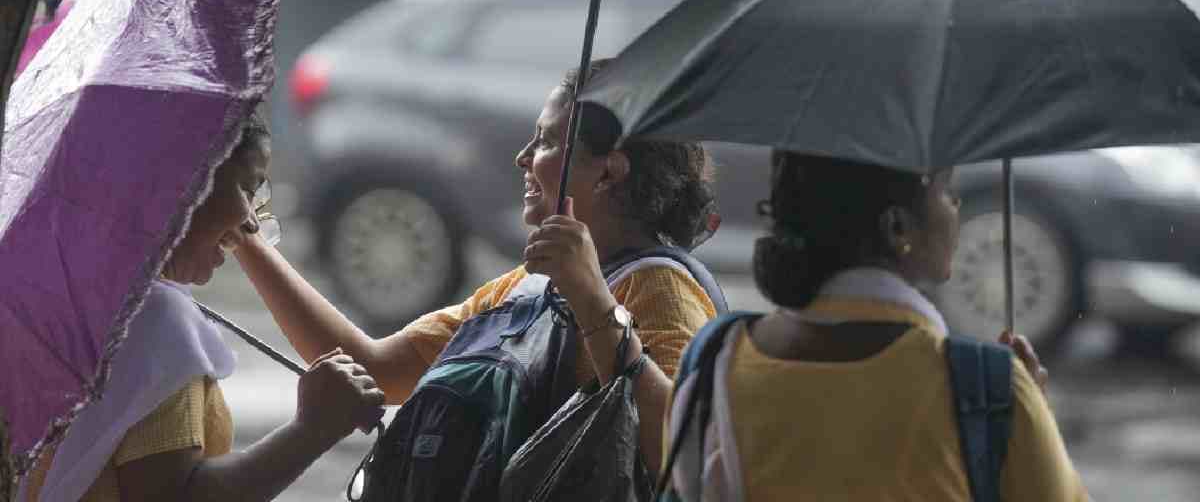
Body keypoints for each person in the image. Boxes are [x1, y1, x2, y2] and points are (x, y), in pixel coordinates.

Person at [232, 61, 723, 475]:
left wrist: (595, 303)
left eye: (547, 141)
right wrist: (246, 236)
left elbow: (686, 458)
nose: (522, 158)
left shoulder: (660, 291)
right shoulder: (527, 288)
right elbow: (376, 370)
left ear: (610, 173)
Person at [666, 151, 1087, 501]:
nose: (956, 205)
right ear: (898, 227)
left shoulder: (713, 363)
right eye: (945, 190)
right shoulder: (987, 391)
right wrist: (1029, 412)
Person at [22, 110, 386, 502]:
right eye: (247, 188)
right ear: (184, 184)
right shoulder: (154, 325)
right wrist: (313, 428)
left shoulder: (64, 296)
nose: (250, 222)